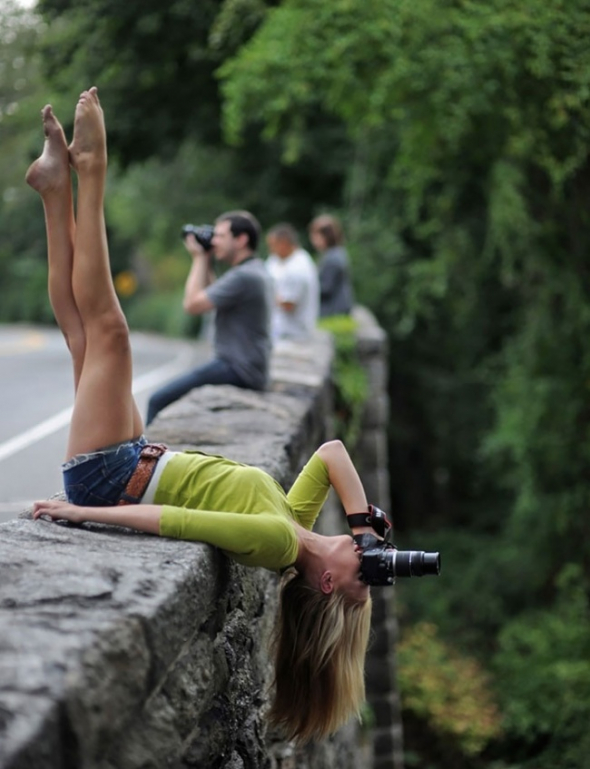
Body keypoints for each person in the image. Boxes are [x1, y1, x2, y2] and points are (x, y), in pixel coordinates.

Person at [26, 87, 379, 744]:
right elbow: (331, 450)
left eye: (363, 576)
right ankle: (53, 189)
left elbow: (174, 520)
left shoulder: (276, 545)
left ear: (328, 581)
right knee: (81, 332)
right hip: (132, 455)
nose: (367, 558)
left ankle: (91, 170)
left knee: (110, 330)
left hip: (110, 476)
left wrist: (81, 513)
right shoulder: (294, 523)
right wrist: (364, 521)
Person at [145, 209, 272, 425]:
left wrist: (197, 258)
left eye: (221, 236)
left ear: (241, 240)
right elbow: (212, 297)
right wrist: (206, 259)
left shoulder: (244, 276)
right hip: (248, 366)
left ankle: (147, 458)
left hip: (237, 368)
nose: (214, 241)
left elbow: (192, 305)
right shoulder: (254, 270)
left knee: (158, 400)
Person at [266, 223, 319, 341]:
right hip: (280, 330)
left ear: (284, 243)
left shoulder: (297, 268)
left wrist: (266, 293)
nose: (270, 250)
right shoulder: (277, 259)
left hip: (292, 334)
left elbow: (288, 305)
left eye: (273, 245)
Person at [308, 214, 354, 317]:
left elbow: (325, 288)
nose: (312, 239)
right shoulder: (335, 253)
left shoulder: (332, 258)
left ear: (325, 236)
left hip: (333, 311)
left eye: (314, 235)